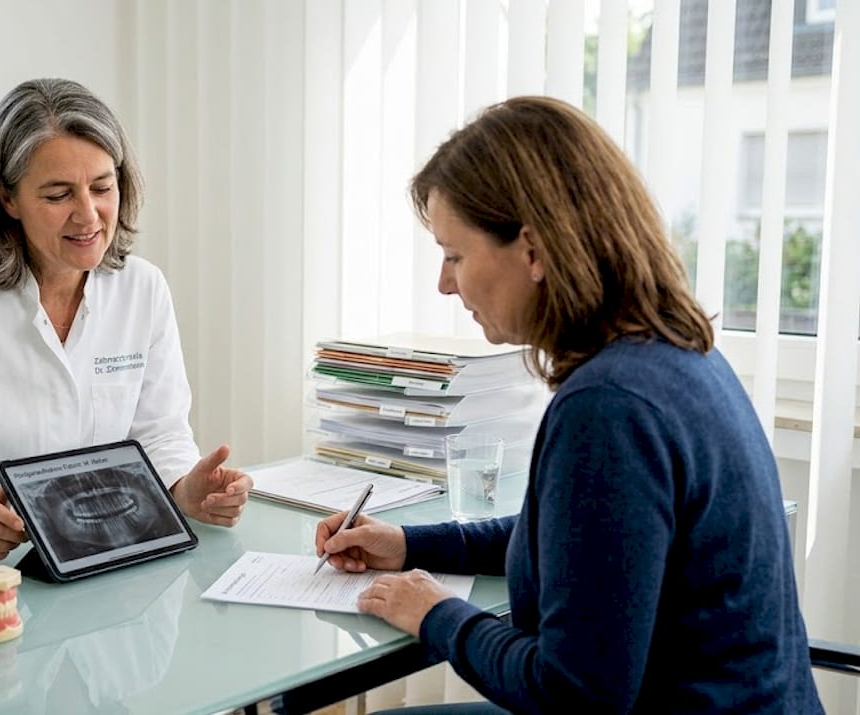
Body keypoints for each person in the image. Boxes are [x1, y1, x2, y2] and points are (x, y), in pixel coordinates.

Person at [316, 96, 823, 713]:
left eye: (454, 255)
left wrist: (436, 614)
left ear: (532, 251)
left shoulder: (609, 408)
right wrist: (410, 544)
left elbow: (573, 696)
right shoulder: (675, 352)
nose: (445, 284)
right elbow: (582, 543)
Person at [0, 78, 251, 562]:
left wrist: (187, 490)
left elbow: (160, 434)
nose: (88, 216)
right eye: (58, 195)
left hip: (103, 561)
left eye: (102, 188)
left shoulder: (142, 289)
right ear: (7, 199)